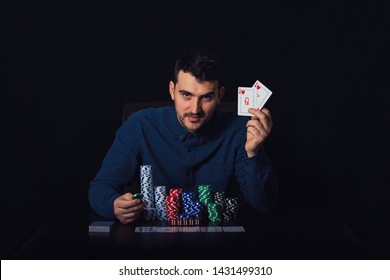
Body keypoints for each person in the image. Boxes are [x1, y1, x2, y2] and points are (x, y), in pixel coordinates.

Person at [89, 49, 278, 224]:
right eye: (186, 95)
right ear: (172, 90)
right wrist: (114, 205)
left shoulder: (240, 129)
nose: (195, 109)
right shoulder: (140, 125)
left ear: (219, 96)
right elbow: (99, 189)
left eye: (206, 97)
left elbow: (263, 204)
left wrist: (254, 154)